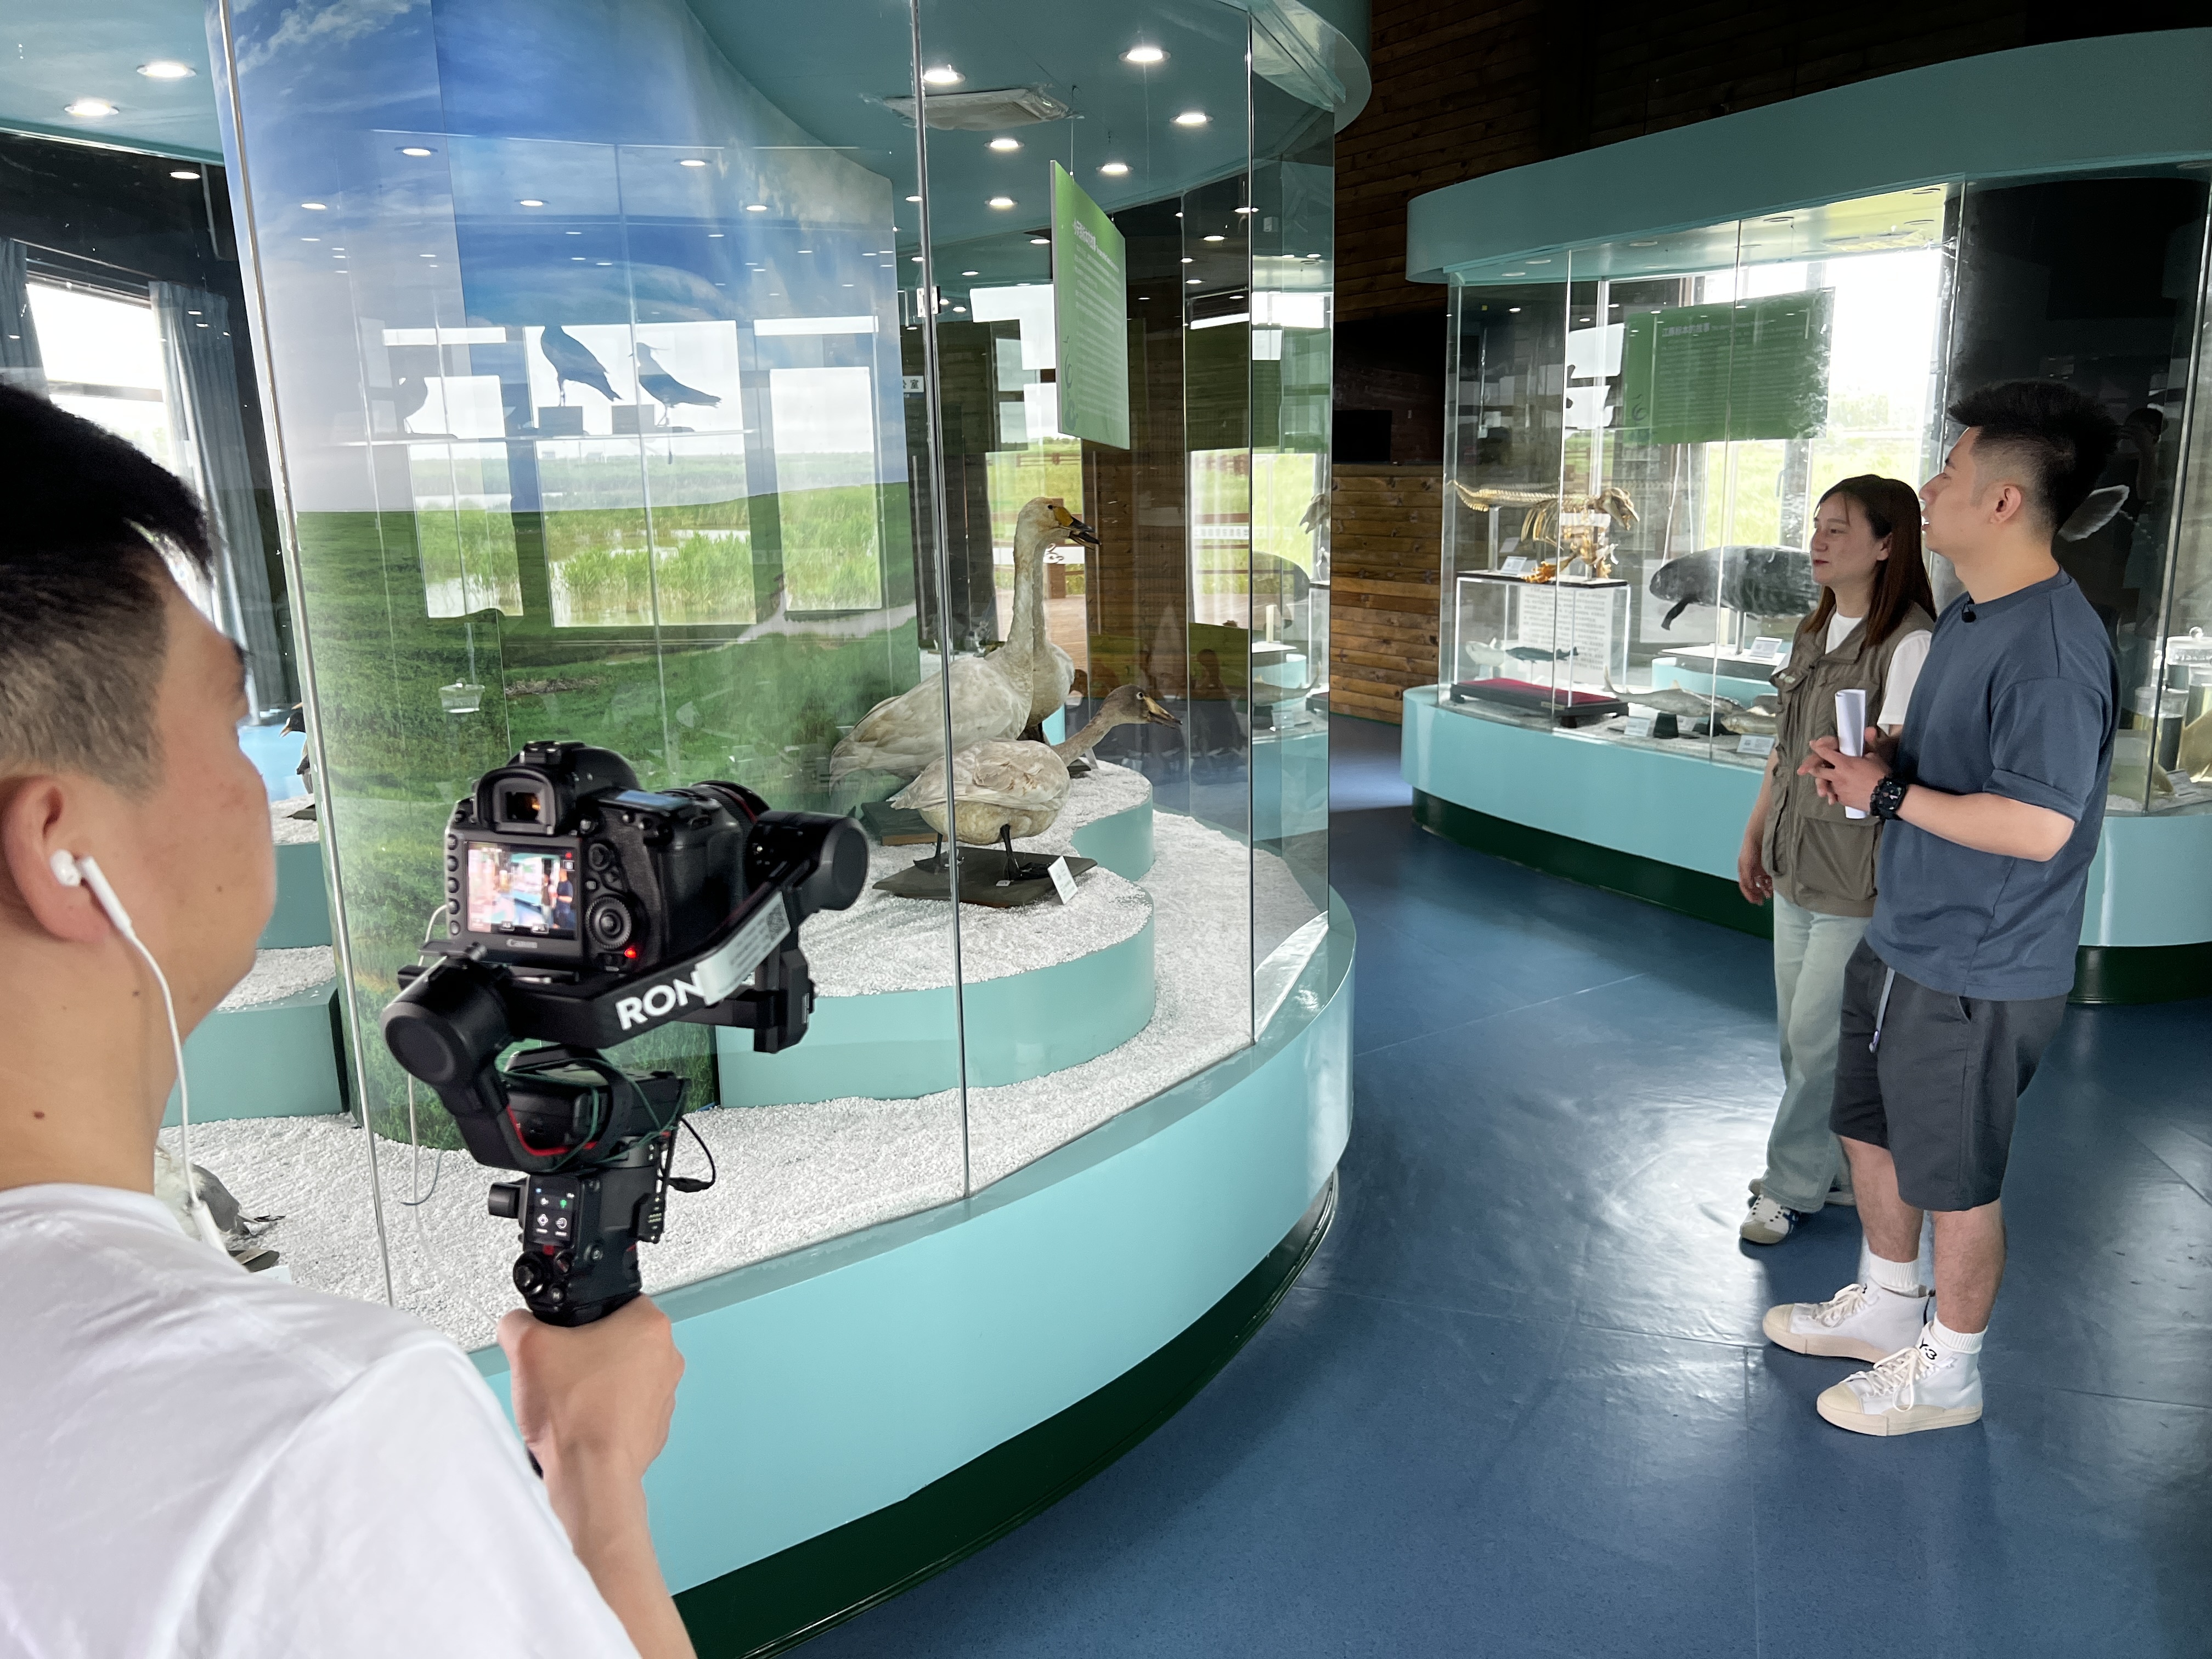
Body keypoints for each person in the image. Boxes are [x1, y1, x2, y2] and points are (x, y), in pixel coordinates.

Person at [0, 386, 694, 1656]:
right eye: (233, 722)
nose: (258, 781)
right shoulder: (306, 1435)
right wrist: (593, 1468)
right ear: (63, 848)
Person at [1765, 381, 2120, 1438]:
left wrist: (1887, 796)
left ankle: (1950, 1373)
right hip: (1905, 930)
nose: (1930, 487)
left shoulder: (2053, 649)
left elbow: (2040, 825)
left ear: (2005, 501)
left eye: (1952, 472)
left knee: (1957, 1180)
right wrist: (1885, 760)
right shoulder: (1970, 613)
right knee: (1868, 1126)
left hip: (1981, 962)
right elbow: (1958, 768)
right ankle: (1887, 1305)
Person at [1735, 476, 1937, 1245]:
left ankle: (1789, 1186)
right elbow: (1783, 751)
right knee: (1798, 1036)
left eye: (1839, 529)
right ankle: (1839, 1173)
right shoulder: (1813, 631)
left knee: (1820, 1041)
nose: (1818, 541)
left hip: (1858, 879)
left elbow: (1898, 772)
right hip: (1796, 863)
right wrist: (1755, 835)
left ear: (1887, 545)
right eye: (1817, 525)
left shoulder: (1910, 643)